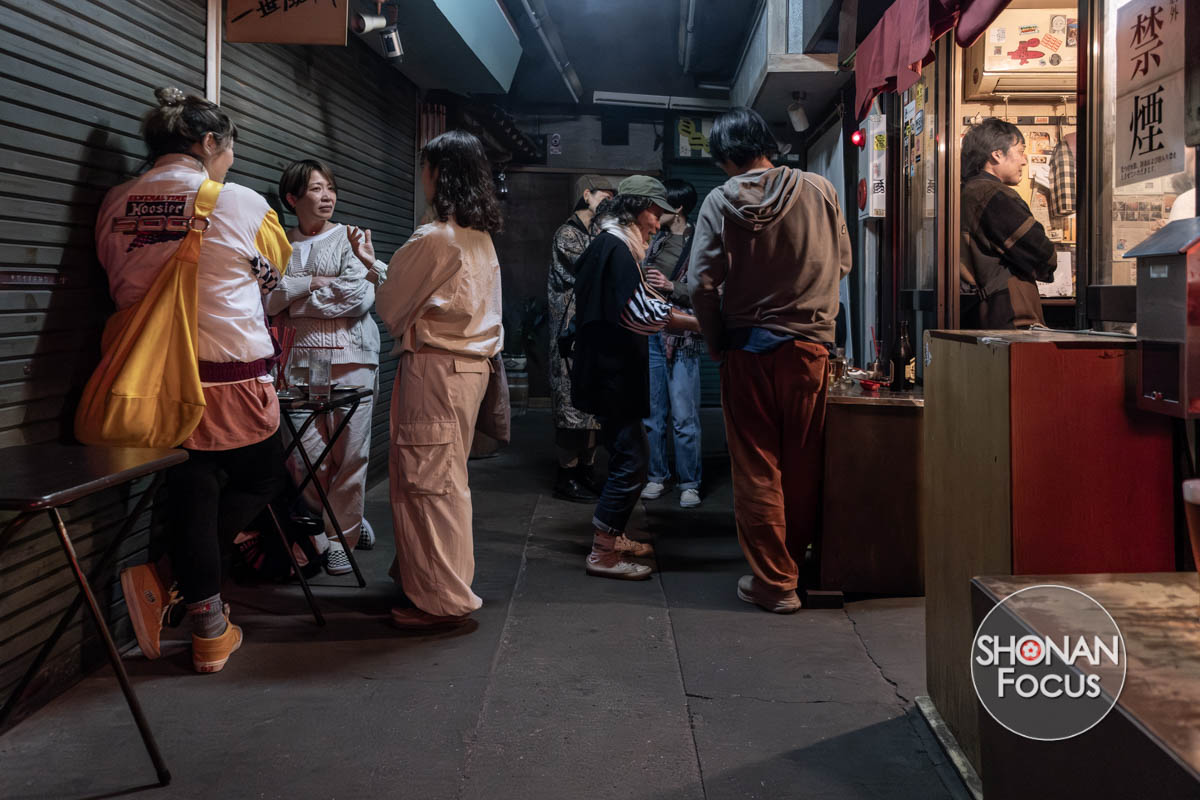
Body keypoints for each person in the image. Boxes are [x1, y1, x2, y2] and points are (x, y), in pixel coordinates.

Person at [106, 87, 292, 671]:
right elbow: (276, 270)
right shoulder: (236, 202)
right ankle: (170, 580)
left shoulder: (115, 201)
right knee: (264, 478)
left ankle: (210, 624)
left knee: (191, 488)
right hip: (227, 379)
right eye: (229, 147)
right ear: (210, 142)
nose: (230, 158)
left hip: (147, 383)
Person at [689, 107, 851, 613]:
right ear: (765, 141)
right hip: (809, 348)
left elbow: (700, 284)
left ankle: (774, 583)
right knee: (803, 462)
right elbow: (842, 261)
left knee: (757, 466)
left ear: (723, 158)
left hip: (746, 348)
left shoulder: (719, 200)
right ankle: (796, 568)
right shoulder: (819, 189)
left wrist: (715, 339)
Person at [375, 130, 503, 630]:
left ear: (439, 174)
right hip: (467, 370)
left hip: (436, 370)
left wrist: (378, 277)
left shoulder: (435, 237)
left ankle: (439, 599)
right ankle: (432, 580)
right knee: (446, 481)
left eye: (425, 167)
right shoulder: (478, 236)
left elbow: (390, 305)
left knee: (428, 483)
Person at [571, 176, 700, 581]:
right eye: (655, 211)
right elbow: (640, 312)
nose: (659, 222)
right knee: (633, 461)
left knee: (628, 455)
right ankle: (603, 551)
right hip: (612, 372)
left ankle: (614, 534)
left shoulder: (614, 244)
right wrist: (702, 324)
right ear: (637, 207)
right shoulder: (615, 248)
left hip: (610, 369)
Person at [267, 159, 388, 574]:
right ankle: (339, 520)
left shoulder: (350, 238)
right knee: (306, 455)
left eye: (330, 188)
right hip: (304, 360)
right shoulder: (281, 244)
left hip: (352, 357)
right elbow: (266, 299)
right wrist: (309, 285)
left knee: (351, 452)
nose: (327, 196)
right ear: (292, 199)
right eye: (316, 189)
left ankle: (339, 538)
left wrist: (295, 302)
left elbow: (358, 298)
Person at [548, 175, 614, 503]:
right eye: (604, 196)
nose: (608, 202)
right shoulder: (568, 233)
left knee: (592, 407)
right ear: (587, 195)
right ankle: (567, 474)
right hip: (569, 330)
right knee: (570, 405)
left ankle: (586, 470)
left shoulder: (598, 232)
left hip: (593, 329)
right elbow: (588, 268)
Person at [640, 178, 704, 508]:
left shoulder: (699, 242)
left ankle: (689, 482)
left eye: (661, 204)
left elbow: (710, 290)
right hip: (651, 330)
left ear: (676, 208)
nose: (655, 211)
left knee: (684, 416)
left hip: (683, 337)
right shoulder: (655, 240)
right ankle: (656, 476)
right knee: (652, 414)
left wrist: (671, 286)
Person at [959, 118, 1057, 329]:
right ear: (997, 154)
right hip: (1009, 315)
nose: (1024, 161)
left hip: (986, 313)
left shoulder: (968, 191)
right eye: (1020, 151)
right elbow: (1041, 252)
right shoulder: (990, 194)